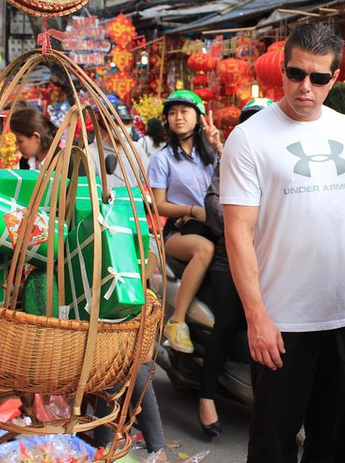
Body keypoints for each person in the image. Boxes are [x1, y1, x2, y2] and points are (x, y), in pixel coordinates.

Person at [220, 23, 345, 462]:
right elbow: (237, 231)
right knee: (273, 443)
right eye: (295, 74)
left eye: (319, 78)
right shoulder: (249, 138)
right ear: (283, 70)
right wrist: (257, 317)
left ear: (335, 76)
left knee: (336, 441)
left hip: (342, 316)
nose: (305, 87)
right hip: (281, 322)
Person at [198, 98, 274, 438]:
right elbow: (215, 208)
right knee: (228, 323)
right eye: (250, 122)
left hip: (273, 262)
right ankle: (206, 395)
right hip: (230, 259)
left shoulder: (283, 163)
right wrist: (243, 223)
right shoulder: (230, 162)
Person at [148, 90, 220, 354]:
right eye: (173, 112)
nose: (178, 117)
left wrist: (219, 146)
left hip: (214, 226)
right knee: (205, 250)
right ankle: (177, 321)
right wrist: (192, 209)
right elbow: (158, 204)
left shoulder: (210, 156)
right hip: (179, 232)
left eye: (184, 112)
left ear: (198, 118)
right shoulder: (163, 159)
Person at [86, 108, 150, 188]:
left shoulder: (136, 148)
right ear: (107, 124)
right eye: (117, 123)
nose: (123, 127)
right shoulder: (91, 152)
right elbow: (88, 189)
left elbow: (149, 182)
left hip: (134, 199)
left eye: (126, 123)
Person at [10, 106, 58, 170]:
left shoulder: (63, 162)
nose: (17, 147)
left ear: (36, 137)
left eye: (20, 141)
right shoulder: (25, 162)